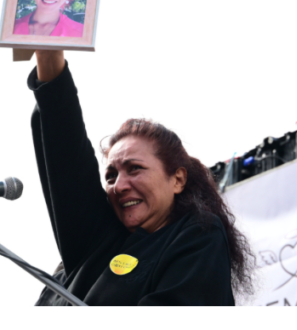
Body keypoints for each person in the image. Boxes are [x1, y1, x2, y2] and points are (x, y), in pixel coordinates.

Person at [28, 50, 255, 305]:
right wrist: (47, 49)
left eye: (135, 168)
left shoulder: (199, 235)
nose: (119, 186)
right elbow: (65, 151)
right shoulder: (96, 240)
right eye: (111, 176)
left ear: (178, 180)